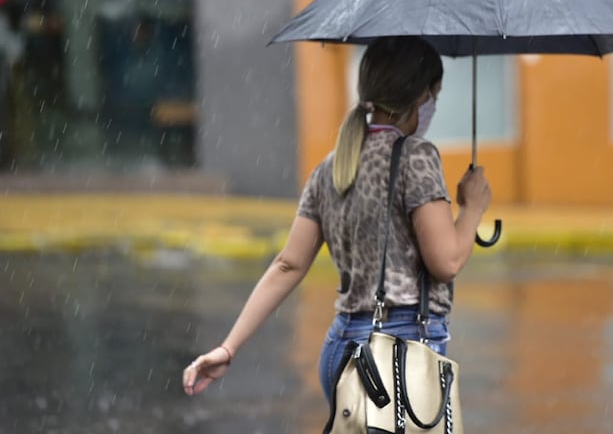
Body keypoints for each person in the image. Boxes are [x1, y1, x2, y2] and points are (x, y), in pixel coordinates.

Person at [182, 36, 491, 402]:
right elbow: (446, 262)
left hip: (343, 350)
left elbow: (287, 265)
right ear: (421, 96)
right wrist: (472, 208)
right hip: (398, 353)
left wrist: (228, 348)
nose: (433, 106)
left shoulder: (329, 167)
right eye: (434, 96)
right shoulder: (416, 157)